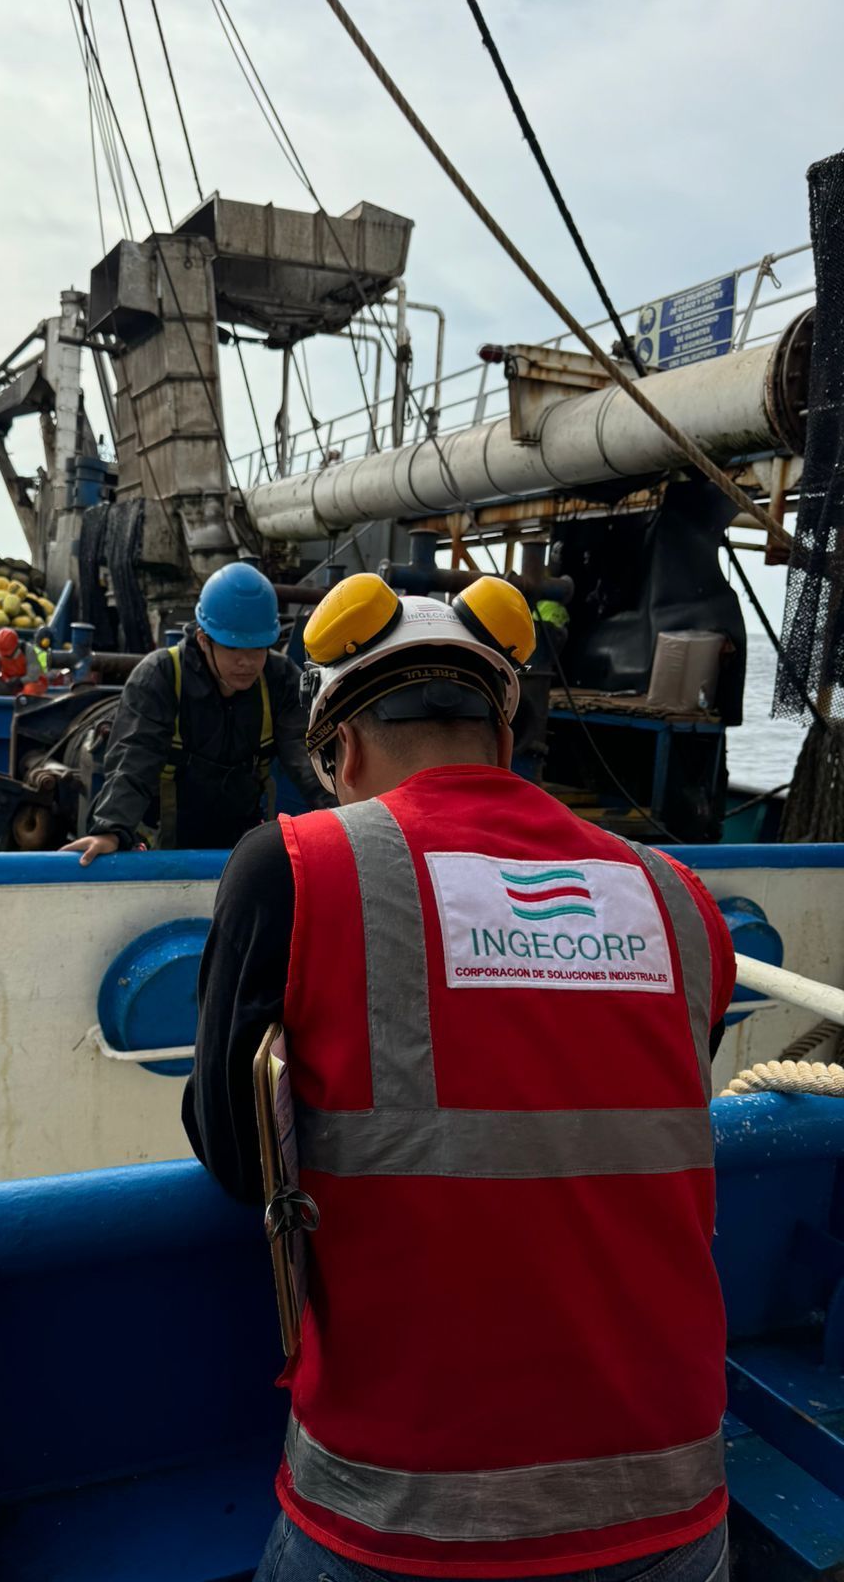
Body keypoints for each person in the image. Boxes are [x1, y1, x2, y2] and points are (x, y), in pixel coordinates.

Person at [184, 571, 735, 1582]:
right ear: (504, 731)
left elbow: (235, 1149)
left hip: (400, 1514)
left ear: (339, 750)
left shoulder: (293, 867)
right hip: (676, 1504)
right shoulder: (679, 899)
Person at [64, 563, 328, 862]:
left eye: (257, 649)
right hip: (164, 853)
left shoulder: (279, 679)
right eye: (233, 649)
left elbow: (309, 758)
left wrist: (346, 819)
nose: (247, 662)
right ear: (204, 639)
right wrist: (110, 829)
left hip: (239, 850)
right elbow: (134, 756)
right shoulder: (160, 676)